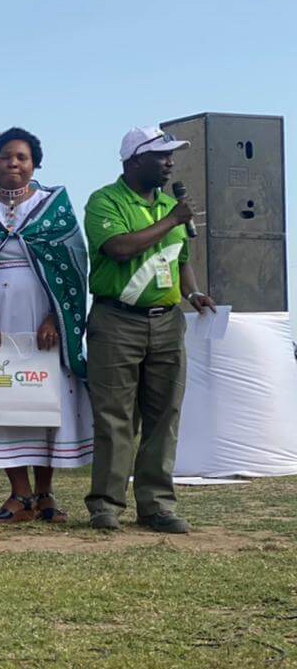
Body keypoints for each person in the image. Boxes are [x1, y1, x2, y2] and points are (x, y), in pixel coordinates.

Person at [0, 128, 93, 522]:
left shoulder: (53, 205)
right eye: (5, 157)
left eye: (22, 158)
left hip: (45, 322)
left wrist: (54, 317)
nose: (13, 163)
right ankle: (20, 494)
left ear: (34, 164)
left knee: (46, 401)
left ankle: (45, 495)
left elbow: (71, 267)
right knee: (4, 398)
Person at [83, 125, 216, 533]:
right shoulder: (105, 201)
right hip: (116, 320)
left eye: (171, 156)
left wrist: (193, 293)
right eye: (161, 156)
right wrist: (173, 218)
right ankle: (106, 505)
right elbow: (119, 248)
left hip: (167, 322)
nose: (170, 163)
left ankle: (156, 505)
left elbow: (180, 260)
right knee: (115, 416)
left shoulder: (171, 206)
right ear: (134, 160)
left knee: (164, 415)